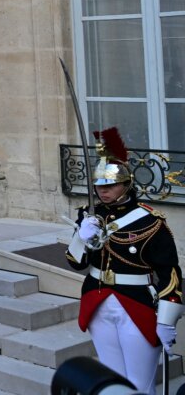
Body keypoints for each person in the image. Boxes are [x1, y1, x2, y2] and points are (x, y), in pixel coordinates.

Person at [67, 126, 181, 393]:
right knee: (112, 380)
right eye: (98, 185)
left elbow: (170, 273)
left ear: (126, 184)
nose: (102, 191)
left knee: (140, 383)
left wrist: (166, 319)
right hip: (97, 299)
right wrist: (81, 237)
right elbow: (75, 262)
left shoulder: (150, 221)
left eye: (110, 185)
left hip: (136, 302)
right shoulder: (89, 214)